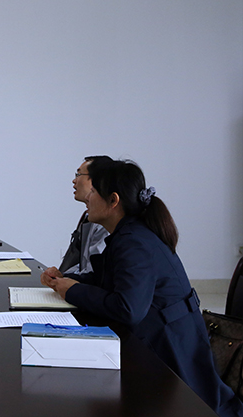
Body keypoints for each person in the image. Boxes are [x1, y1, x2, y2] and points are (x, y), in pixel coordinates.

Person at [41, 159, 243, 417]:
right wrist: (65, 281)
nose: (88, 198)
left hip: (171, 356)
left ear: (113, 200)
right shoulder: (128, 234)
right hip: (164, 342)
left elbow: (128, 308)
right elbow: (111, 283)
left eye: (93, 192)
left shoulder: (134, 241)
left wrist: (72, 290)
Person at [58, 155, 112, 275]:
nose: (74, 181)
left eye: (79, 175)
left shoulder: (105, 223)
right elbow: (84, 265)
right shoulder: (88, 217)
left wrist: (65, 279)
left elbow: (93, 271)